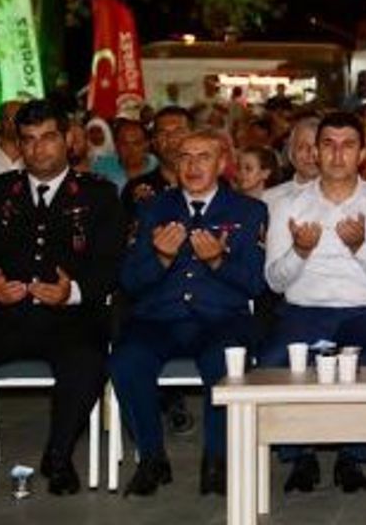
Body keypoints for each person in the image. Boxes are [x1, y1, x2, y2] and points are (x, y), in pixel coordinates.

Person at [0, 100, 124, 504]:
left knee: (87, 360)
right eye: (29, 140)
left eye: (48, 137)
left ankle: (59, 457)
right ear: (19, 145)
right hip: (1, 317)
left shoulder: (100, 195)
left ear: (68, 140)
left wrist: (72, 292)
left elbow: (111, 266)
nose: (39, 148)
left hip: (70, 320)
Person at [110, 129, 269, 497]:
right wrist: (161, 258)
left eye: (204, 157)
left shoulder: (248, 211)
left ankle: (216, 460)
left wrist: (218, 261)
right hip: (159, 319)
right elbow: (129, 281)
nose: (193, 166)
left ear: (223, 164)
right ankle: (151, 458)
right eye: (185, 157)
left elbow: (255, 284)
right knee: (126, 362)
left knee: (224, 364)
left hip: (220, 319)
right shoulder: (152, 209)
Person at [261, 112, 366, 494]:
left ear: (363, 154)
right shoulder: (287, 204)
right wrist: (299, 251)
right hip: (303, 311)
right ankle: (299, 455)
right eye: (328, 144)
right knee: (273, 361)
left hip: (365, 312)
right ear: (315, 152)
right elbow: (274, 281)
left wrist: (360, 247)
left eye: (348, 145)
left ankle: (352, 455)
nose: (337, 154)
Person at [120, 106, 192, 217]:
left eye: (178, 132)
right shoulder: (136, 189)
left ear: (194, 137)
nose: (171, 139)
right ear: (154, 142)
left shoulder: (212, 184)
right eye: (163, 133)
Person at [263, 115, 320, 207]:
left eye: (316, 147)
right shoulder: (269, 199)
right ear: (290, 153)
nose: (310, 153)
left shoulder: (342, 200)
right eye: (302, 147)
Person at [93, 119, 157, 190]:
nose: (130, 149)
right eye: (124, 144)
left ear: (146, 144)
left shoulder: (158, 166)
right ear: (116, 145)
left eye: (136, 143)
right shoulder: (101, 168)